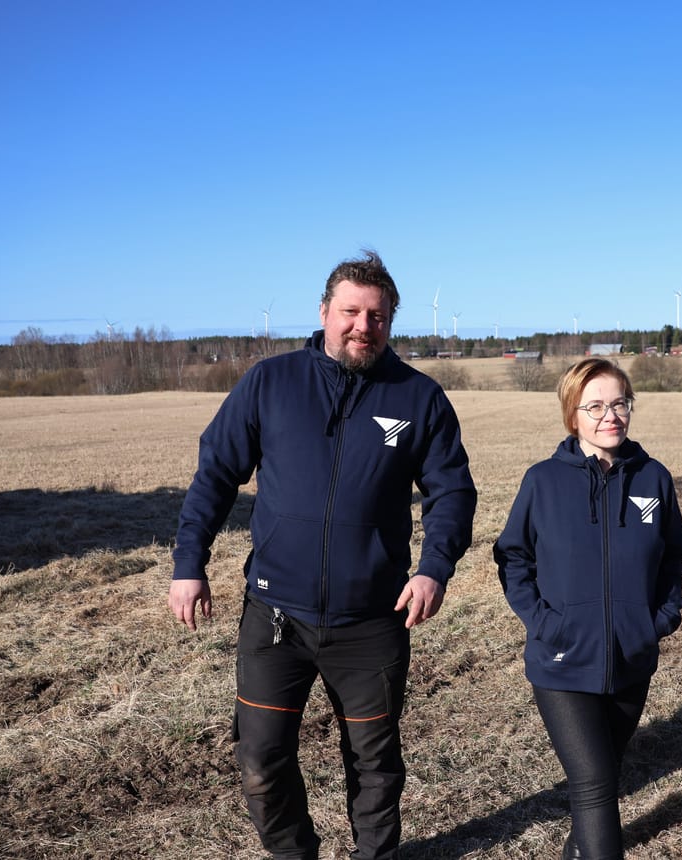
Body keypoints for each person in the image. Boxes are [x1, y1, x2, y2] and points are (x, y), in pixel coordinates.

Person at [168, 250, 477, 860]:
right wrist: (188, 563)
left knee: (376, 767)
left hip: (372, 620)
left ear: (392, 321)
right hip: (275, 617)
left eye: (378, 316)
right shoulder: (271, 383)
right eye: (351, 312)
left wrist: (434, 568)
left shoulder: (419, 398)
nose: (364, 326)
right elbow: (215, 476)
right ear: (324, 312)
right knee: (260, 762)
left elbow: (453, 492)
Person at [494, 358, 682, 860]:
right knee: (595, 783)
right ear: (573, 414)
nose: (611, 416)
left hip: (632, 659)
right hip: (562, 663)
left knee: (602, 777)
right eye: (596, 405)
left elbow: (673, 557)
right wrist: (544, 624)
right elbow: (514, 557)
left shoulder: (654, 479)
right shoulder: (542, 482)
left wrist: (658, 621)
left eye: (620, 403)